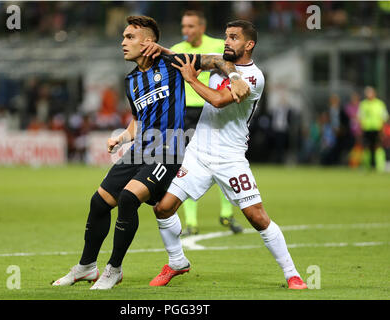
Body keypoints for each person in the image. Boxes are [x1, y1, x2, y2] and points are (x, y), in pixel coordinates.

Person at [52, 15, 250, 290]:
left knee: (128, 198)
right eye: (123, 37)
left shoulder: (171, 63)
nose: (122, 43)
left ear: (148, 43)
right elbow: (138, 120)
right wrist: (122, 138)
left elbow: (218, 60)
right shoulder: (131, 80)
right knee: (98, 203)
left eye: (129, 37)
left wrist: (236, 77)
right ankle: (86, 267)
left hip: (169, 150)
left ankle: (114, 269)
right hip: (140, 149)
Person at [147, 20, 307, 289]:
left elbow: (219, 101)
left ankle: (292, 274)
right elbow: (183, 58)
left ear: (249, 44)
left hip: (230, 157)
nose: (227, 41)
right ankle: (176, 262)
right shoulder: (219, 62)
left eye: (233, 37)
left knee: (257, 217)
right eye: (226, 36)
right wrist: (157, 48)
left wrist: (191, 79)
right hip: (198, 152)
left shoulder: (254, 77)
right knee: (163, 208)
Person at [170, 10, 243, 236]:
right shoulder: (176, 50)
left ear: (202, 27)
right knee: (185, 166)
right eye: (183, 26)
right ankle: (191, 222)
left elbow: (233, 70)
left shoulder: (219, 46)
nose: (186, 31)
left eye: (190, 26)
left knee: (224, 161)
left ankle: (226, 214)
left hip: (213, 110)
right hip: (186, 113)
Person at [358, 86, 388, 172]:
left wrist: (382, 130)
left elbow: (384, 117)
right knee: (366, 147)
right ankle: (367, 166)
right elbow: (360, 117)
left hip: (377, 129)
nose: (369, 95)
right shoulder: (363, 104)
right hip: (366, 129)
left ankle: (379, 167)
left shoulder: (379, 104)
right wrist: (360, 130)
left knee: (378, 147)